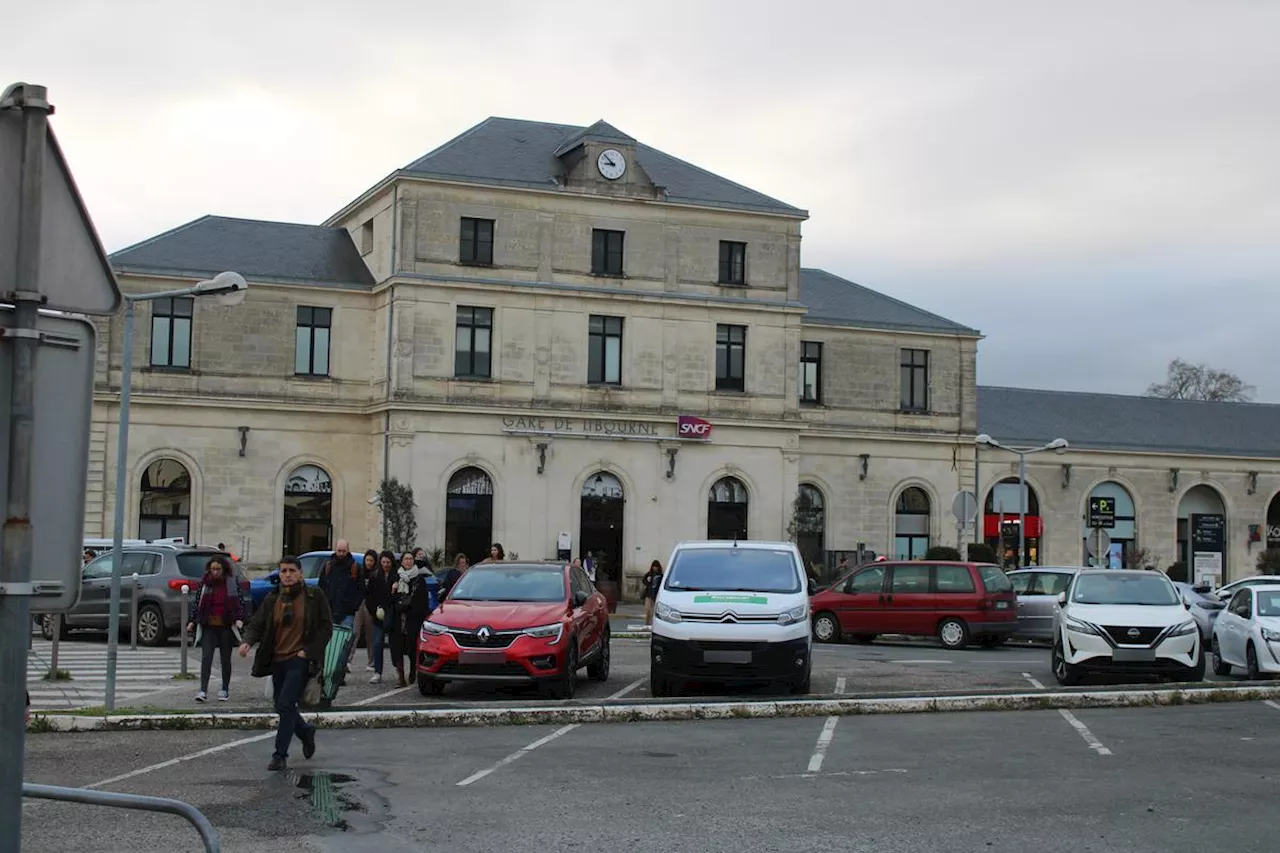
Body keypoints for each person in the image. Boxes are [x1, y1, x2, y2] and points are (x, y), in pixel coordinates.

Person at [239, 555, 333, 772]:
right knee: (281, 705)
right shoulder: (274, 598)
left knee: (285, 704)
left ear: (300, 573)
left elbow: (326, 628)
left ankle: (279, 755)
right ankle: (305, 731)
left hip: (299, 660)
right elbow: (258, 623)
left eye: (292, 571)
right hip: (277, 659)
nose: (288, 575)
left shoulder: (313, 595)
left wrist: (307, 652)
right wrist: (247, 642)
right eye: (283, 571)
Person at [186, 554, 247, 702]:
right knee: (206, 657)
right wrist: (192, 621)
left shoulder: (231, 582)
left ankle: (224, 689)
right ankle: (203, 690)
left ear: (224, 569)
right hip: (209, 625)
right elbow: (198, 602)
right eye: (212, 569)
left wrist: (239, 618)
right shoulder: (205, 583)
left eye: (218, 569)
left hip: (226, 625)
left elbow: (239, 601)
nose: (215, 572)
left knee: (225, 659)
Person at [393, 550, 438, 685]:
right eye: (405, 559)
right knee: (398, 648)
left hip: (413, 618)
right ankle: (401, 677)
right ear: (401, 562)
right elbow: (391, 598)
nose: (408, 561)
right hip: (399, 617)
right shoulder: (397, 577)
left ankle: (413, 671)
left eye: (410, 559)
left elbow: (423, 601)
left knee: (412, 648)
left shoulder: (419, 579)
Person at [364, 550, 400, 685]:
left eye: (388, 562)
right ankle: (377, 672)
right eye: (383, 562)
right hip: (378, 615)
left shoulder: (397, 576)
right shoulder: (374, 576)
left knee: (394, 644)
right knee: (378, 643)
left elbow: (399, 597)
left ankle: (398, 669)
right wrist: (375, 611)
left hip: (392, 614)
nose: (385, 565)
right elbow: (369, 597)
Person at [318, 539, 365, 631]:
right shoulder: (328, 566)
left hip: (347, 613)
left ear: (348, 550)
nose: (341, 554)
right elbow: (321, 587)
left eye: (344, 551)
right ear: (335, 550)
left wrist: (353, 606)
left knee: (344, 642)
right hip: (330, 611)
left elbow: (361, 590)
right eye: (339, 551)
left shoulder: (355, 568)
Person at [349, 549, 378, 671]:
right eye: (367, 560)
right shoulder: (360, 572)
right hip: (359, 603)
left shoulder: (377, 574)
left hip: (371, 604)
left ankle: (371, 662)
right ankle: (348, 661)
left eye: (371, 560)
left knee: (370, 635)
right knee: (355, 632)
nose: (369, 563)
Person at [642, 560, 663, 626]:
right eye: (654, 567)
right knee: (647, 610)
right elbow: (644, 581)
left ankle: (652, 624)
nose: (655, 568)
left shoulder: (660, 575)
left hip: (656, 595)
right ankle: (646, 624)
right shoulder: (649, 574)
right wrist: (648, 581)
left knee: (653, 611)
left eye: (656, 567)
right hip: (648, 594)